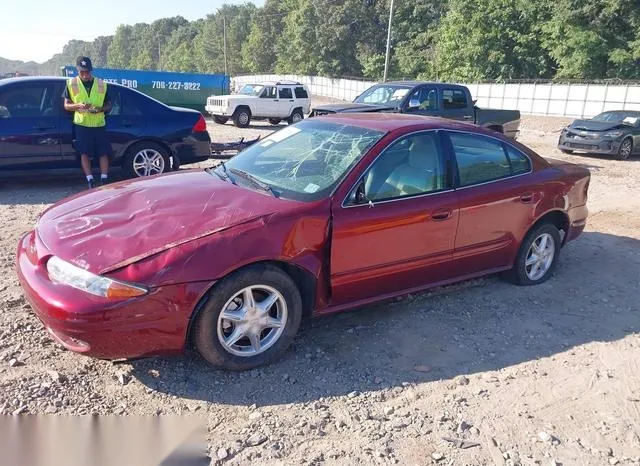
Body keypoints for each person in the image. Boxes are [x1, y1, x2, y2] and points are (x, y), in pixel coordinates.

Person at [63, 56, 113, 189]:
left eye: (87, 71)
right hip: (82, 125)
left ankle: (104, 179)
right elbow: (67, 106)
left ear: (91, 70)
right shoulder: (71, 84)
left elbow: (109, 104)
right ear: (77, 70)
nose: (85, 74)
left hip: (98, 124)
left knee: (103, 152)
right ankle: (90, 180)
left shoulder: (101, 84)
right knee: (84, 153)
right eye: (82, 72)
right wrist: (78, 105)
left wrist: (101, 109)